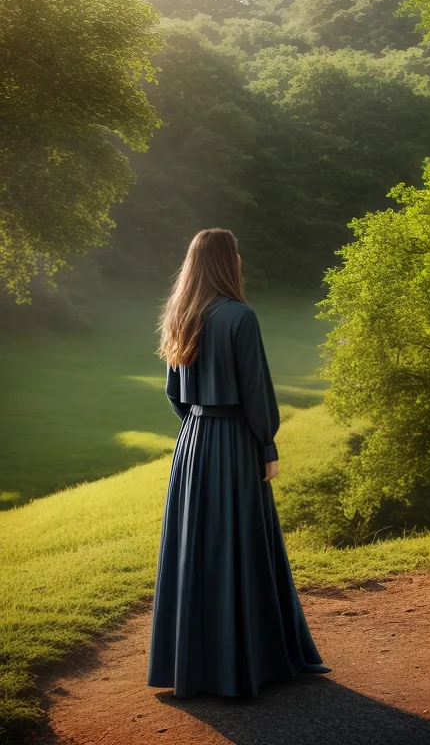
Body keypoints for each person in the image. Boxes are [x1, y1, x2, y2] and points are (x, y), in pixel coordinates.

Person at [147, 228, 330, 698]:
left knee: (198, 549)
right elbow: (255, 391)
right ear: (228, 262)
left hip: (192, 443)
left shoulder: (180, 315)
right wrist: (266, 445)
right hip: (234, 442)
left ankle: (195, 667)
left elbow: (173, 393)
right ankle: (255, 661)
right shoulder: (240, 316)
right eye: (237, 254)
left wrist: (197, 427)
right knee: (244, 544)